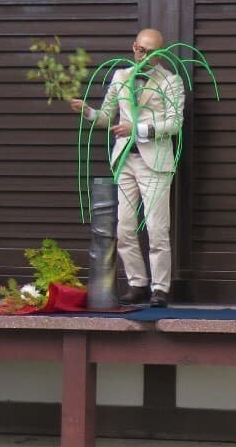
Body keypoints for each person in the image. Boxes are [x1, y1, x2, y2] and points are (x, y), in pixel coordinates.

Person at [70, 28, 184, 307]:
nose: (146, 57)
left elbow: (175, 123)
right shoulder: (120, 76)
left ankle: (160, 288)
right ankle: (137, 283)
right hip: (125, 160)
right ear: (134, 47)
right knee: (124, 228)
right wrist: (87, 111)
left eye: (153, 53)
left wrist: (138, 129)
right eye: (142, 50)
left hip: (155, 162)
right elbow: (108, 116)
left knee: (157, 228)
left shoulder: (171, 81)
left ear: (161, 54)